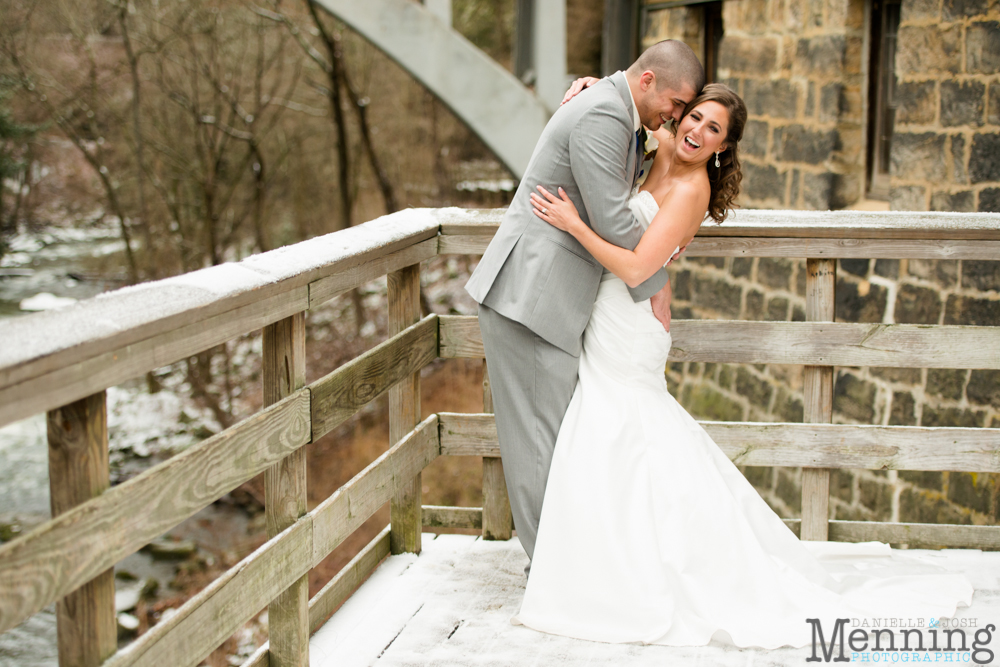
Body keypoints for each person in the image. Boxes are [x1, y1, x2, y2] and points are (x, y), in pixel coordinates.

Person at [513, 83, 975, 648]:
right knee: (605, 434)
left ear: (723, 147)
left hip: (629, 322)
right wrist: (589, 84)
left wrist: (574, 225)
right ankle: (606, 560)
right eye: (696, 118)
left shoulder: (691, 188)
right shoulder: (660, 142)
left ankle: (655, 570)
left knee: (628, 431)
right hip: (604, 312)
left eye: (714, 131)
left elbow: (637, 271)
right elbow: (628, 100)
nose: (697, 132)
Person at [465, 40, 705, 571]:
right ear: (647, 81)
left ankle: (565, 561)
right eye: (677, 104)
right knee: (535, 443)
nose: (678, 117)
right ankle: (552, 570)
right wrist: (655, 283)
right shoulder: (603, 113)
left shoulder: (614, 107)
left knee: (560, 436)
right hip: (530, 296)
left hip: (554, 298)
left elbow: (652, 157)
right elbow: (613, 218)